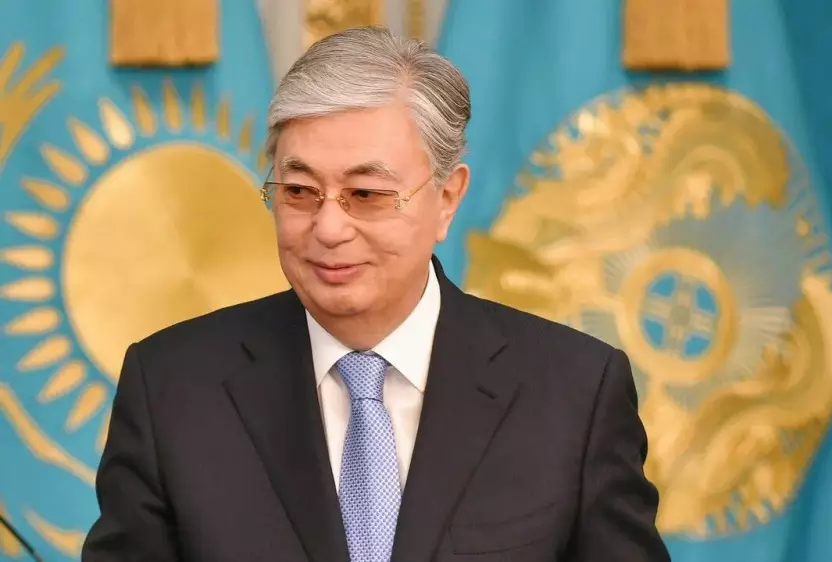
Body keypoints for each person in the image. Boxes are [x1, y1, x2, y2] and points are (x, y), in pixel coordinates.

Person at [81, 26, 670, 562]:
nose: (328, 228)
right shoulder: (173, 389)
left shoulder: (574, 394)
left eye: (365, 194)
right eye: (299, 191)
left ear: (447, 198)